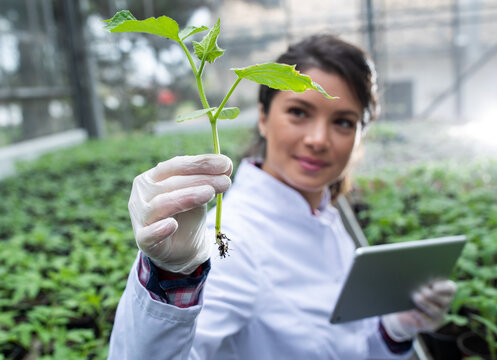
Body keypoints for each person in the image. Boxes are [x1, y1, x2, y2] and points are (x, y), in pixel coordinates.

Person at [108, 34, 457, 359]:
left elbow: (341, 344)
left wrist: (393, 332)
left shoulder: (323, 214)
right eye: (299, 112)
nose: (319, 139)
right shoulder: (234, 239)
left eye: (344, 122)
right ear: (262, 117)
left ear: (360, 136)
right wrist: (172, 280)